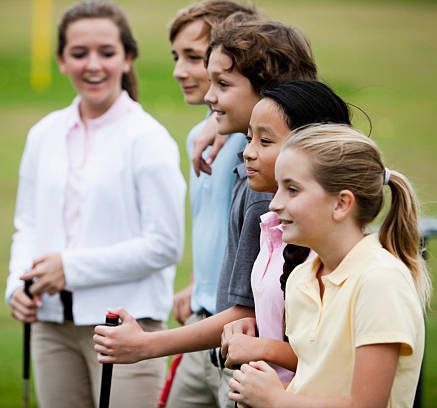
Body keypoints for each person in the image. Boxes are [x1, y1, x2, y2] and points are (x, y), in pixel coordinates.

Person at [93, 14, 317, 408]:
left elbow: (244, 310)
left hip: (257, 367)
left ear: (268, 92)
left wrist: (145, 345)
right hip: (230, 343)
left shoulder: (266, 186)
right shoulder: (241, 156)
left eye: (222, 84)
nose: (210, 94)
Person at [4, 1, 185, 407]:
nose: (93, 65)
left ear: (128, 58)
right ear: (61, 61)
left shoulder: (148, 139)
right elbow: (27, 225)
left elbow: (164, 244)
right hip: (51, 324)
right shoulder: (43, 134)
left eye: (106, 52)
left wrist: (69, 268)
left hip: (125, 326)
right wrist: (17, 283)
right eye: (79, 53)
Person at [229, 124, 430, 407]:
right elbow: (314, 385)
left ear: (341, 204)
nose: (274, 203)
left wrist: (275, 399)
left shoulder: (380, 281)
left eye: (292, 190)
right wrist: (256, 391)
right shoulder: (302, 278)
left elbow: (367, 404)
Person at [219, 81, 352, 386]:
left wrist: (261, 348)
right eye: (248, 138)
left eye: (265, 141)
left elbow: (332, 356)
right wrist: (249, 327)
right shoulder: (273, 228)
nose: (248, 153)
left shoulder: (329, 249)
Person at [166, 2, 258, 407]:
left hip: (242, 334)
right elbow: (215, 228)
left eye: (193, 57)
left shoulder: (256, 142)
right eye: (176, 57)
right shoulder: (197, 138)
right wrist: (197, 283)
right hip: (199, 324)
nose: (179, 71)